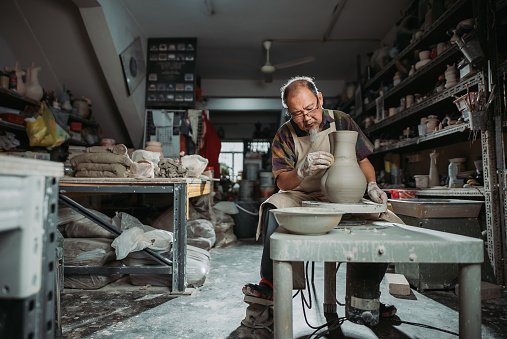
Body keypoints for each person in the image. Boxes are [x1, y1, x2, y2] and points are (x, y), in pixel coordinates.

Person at [242, 76, 401, 318]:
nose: (306, 118)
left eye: (310, 109)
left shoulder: (342, 120)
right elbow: (282, 181)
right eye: (297, 114)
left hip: (343, 195)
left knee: (381, 217)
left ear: (320, 99)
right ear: (289, 113)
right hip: (301, 193)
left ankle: (364, 295)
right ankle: (271, 284)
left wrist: (371, 186)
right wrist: (302, 170)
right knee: (274, 206)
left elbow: (363, 160)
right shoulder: (284, 134)